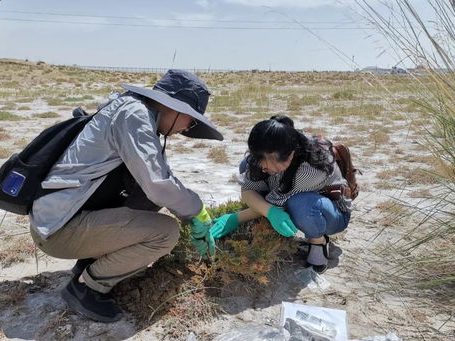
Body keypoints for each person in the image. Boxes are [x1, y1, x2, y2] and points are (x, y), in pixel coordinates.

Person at [29, 70, 223, 322]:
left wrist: (191, 213)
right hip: (57, 231)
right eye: (191, 120)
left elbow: (159, 179)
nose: (188, 128)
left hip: (61, 218)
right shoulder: (135, 116)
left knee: (149, 197)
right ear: (173, 107)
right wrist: (197, 211)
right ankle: (87, 287)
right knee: (165, 233)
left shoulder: (132, 110)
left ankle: (90, 259)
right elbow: (159, 184)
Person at [210, 114, 352, 274]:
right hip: (288, 194)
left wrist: (237, 218)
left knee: (300, 203)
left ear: (291, 154)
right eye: (265, 167)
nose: (268, 170)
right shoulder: (265, 155)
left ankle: (318, 240)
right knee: (247, 165)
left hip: (331, 213)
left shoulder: (310, 170)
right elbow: (248, 191)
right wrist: (264, 208)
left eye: (275, 168)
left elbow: (276, 204)